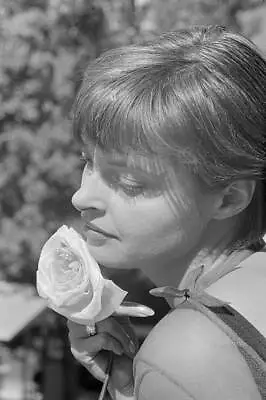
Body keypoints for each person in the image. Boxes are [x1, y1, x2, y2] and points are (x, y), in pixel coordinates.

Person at [67, 25, 266, 399]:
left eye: (128, 182)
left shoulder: (189, 354)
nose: (82, 197)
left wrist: (162, 377)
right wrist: (130, 388)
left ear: (229, 199)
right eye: (87, 161)